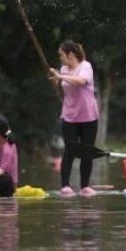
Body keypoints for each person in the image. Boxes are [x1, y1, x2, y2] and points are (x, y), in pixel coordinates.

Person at [49, 40, 100, 197]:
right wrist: (56, 80)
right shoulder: (64, 69)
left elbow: (80, 81)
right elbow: (61, 85)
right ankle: (65, 185)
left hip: (88, 116)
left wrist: (60, 76)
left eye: (61, 55)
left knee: (86, 151)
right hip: (70, 116)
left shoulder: (85, 66)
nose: (60, 58)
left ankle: (85, 186)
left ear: (70, 54)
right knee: (69, 150)